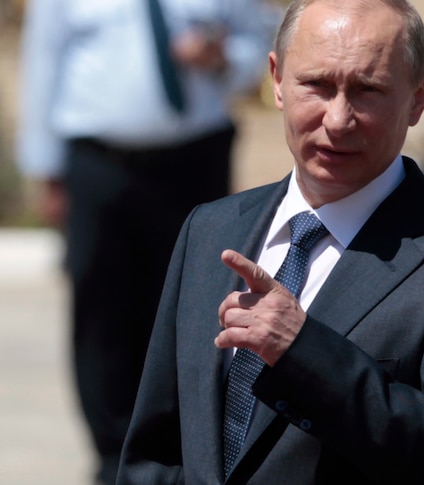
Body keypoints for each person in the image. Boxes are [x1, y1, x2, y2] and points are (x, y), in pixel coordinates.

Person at [117, 0, 424, 483]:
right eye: (316, 85)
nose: (338, 119)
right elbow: (156, 452)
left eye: (367, 90)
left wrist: (309, 356)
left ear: (419, 97)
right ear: (276, 80)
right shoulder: (211, 229)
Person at [15, 0, 272, 483]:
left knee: (191, 312)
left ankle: (180, 454)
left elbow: (258, 48)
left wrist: (222, 58)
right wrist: (45, 167)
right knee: (100, 318)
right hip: (99, 161)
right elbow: (44, 58)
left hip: (191, 162)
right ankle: (113, 461)